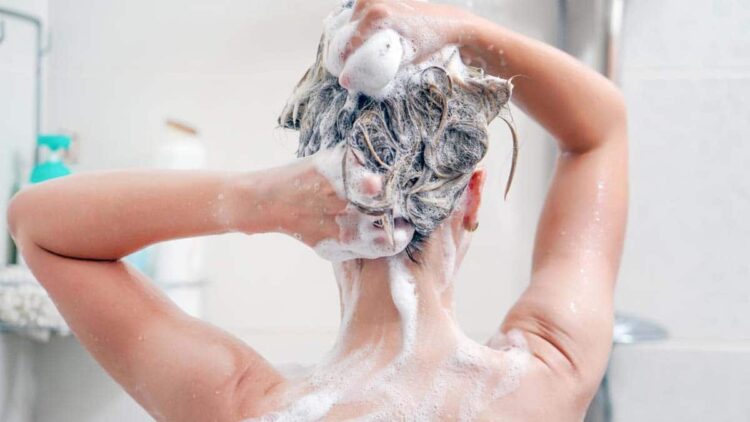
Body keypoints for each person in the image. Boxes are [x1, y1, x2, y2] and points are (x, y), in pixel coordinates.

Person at [7, 0, 628, 420]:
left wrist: (254, 200)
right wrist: (459, 27)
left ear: (314, 193)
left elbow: (39, 225)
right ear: (471, 197)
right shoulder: (544, 378)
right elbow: (602, 130)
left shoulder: (246, 403)